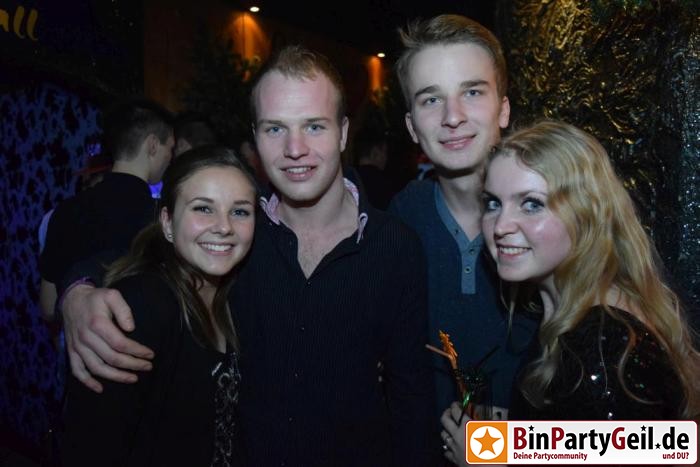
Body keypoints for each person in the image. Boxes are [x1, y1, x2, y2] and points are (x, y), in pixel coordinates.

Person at [59, 45, 434, 467]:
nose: (295, 148)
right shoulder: (237, 230)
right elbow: (137, 249)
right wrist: (78, 291)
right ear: (255, 136)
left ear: (343, 133)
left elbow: (411, 399)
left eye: (314, 126)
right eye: (275, 129)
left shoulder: (396, 245)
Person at [440, 120, 700, 465]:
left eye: (531, 204)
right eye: (493, 203)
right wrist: (514, 439)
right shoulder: (582, 314)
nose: (500, 226)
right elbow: (595, 446)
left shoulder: (603, 348)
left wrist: (484, 461)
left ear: (585, 215)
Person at [60, 146, 257, 466]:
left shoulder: (234, 294)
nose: (224, 226)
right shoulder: (137, 307)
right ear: (167, 222)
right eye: (203, 208)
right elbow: (91, 448)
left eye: (240, 212)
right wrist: (76, 291)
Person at [388, 14, 538, 431]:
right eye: (430, 100)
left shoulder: (557, 218)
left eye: (472, 92)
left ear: (503, 109)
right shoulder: (399, 221)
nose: (452, 116)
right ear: (412, 127)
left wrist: (511, 447)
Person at [39, 99, 174, 321]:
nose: (170, 158)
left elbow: (48, 305)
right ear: (152, 145)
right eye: (170, 148)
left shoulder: (66, 210)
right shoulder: (162, 218)